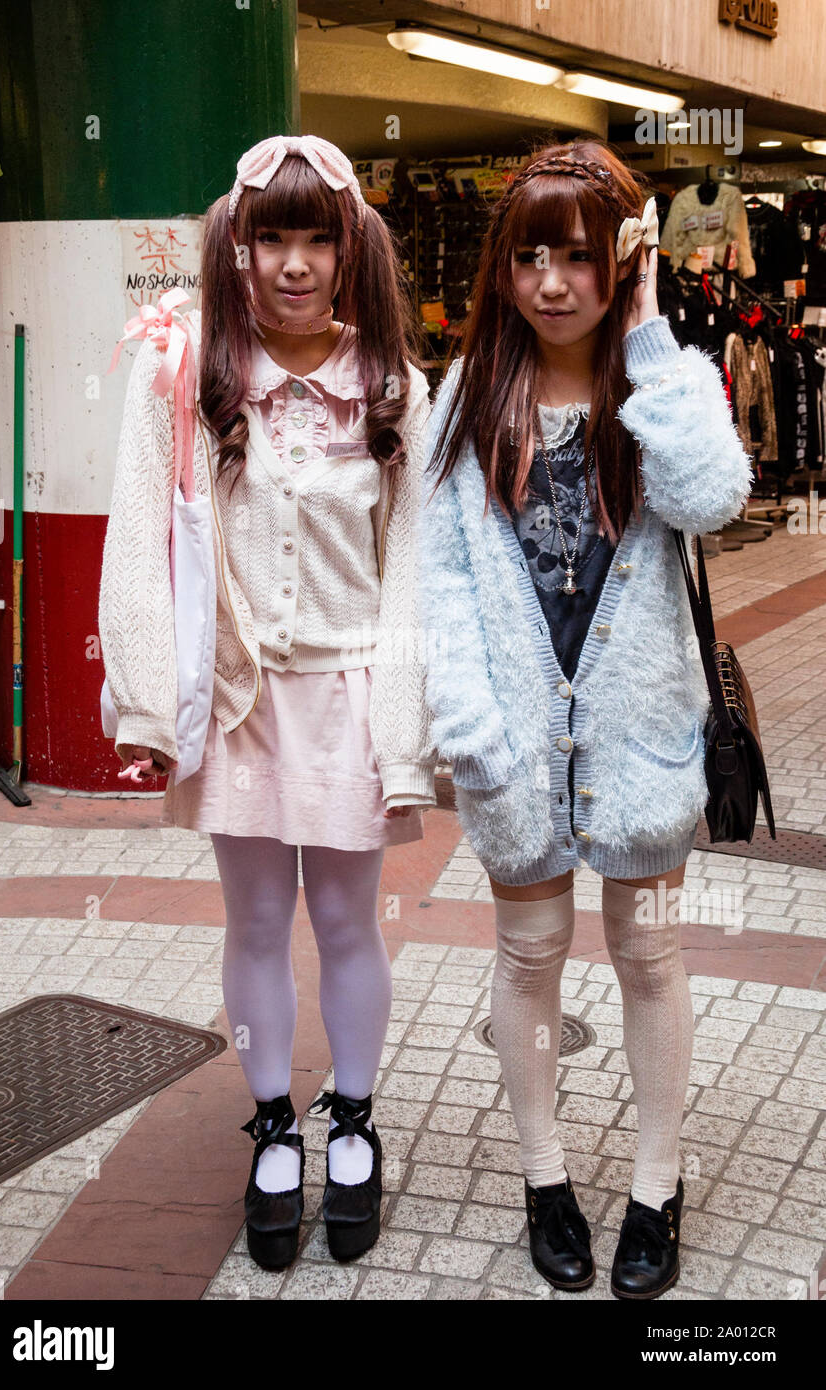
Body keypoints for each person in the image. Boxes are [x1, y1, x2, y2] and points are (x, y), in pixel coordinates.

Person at [418, 139, 752, 1299]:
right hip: (510, 742)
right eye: (527, 258)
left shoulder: (664, 379)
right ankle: (542, 1176)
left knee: (650, 955)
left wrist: (652, 331)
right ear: (500, 270)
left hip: (642, 734)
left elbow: (710, 497)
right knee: (527, 953)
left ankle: (655, 1187)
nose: (551, 283)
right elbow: (442, 572)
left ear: (620, 259)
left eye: (576, 256)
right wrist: (466, 725)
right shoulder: (466, 394)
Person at [98, 134, 438, 1271]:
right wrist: (148, 703)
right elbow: (139, 540)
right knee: (251, 922)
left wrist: (406, 731)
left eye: (316, 236)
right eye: (269, 235)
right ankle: (272, 1129)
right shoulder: (188, 378)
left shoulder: (395, 389)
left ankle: (351, 1119)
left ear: (351, 250)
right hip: (238, 699)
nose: (293, 262)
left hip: (349, 694)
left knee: (344, 921)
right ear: (235, 245)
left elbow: (416, 576)